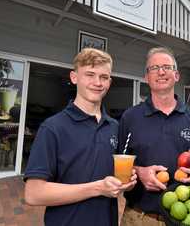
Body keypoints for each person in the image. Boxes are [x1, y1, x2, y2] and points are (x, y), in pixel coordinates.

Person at [24, 48, 137, 226]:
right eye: (90, 75)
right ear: (74, 77)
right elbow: (33, 193)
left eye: (104, 77)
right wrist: (98, 188)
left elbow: (113, 177)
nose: (97, 82)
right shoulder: (53, 128)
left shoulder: (115, 127)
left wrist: (126, 183)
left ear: (110, 82)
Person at [118, 47, 190, 226]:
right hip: (139, 217)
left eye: (167, 67)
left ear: (176, 75)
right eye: (154, 68)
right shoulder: (130, 117)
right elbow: (118, 165)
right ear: (146, 77)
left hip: (185, 217)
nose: (161, 72)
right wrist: (139, 172)